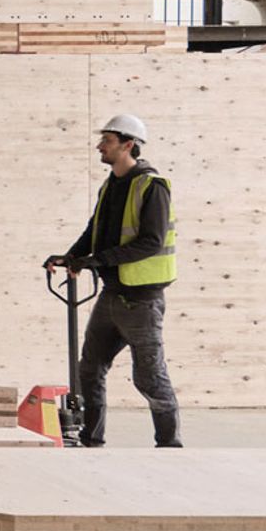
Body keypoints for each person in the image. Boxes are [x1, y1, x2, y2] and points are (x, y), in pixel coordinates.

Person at [45, 113, 181, 448]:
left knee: (148, 377)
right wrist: (71, 256)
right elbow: (95, 230)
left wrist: (97, 261)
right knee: (89, 369)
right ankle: (92, 440)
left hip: (142, 300)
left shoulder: (152, 187)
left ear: (128, 144)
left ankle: (170, 446)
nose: (99, 146)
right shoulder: (111, 185)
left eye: (106, 141)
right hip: (112, 294)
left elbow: (150, 241)